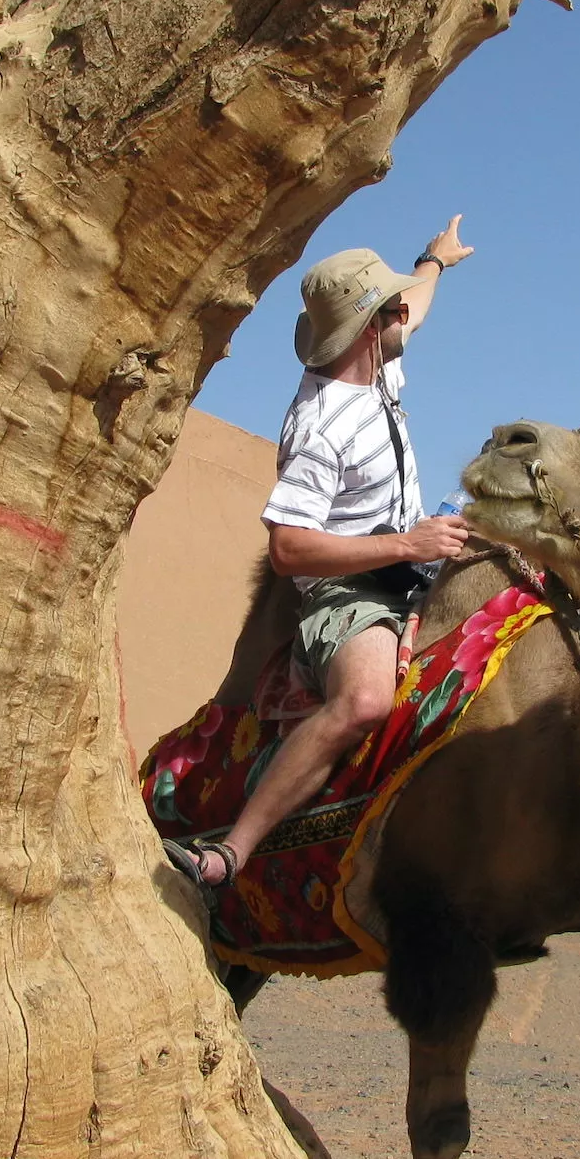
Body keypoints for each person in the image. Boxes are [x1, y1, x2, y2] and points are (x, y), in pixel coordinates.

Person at [172, 218, 476, 888]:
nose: (407, 314)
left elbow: (416, 306)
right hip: (350, 591)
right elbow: (287, 548)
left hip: (414, 557)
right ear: (372, 325)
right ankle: (232, 852)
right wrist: (410, 542)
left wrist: (434, 260)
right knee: (365, 702)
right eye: (394, 308)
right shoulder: (320, 425)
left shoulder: (381, 366)